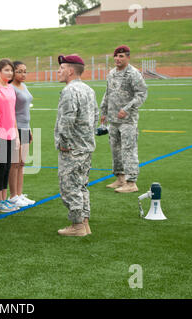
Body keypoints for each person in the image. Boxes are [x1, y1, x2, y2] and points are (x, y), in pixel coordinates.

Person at [54, 55, 98, 237]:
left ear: (71, 71)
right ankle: (84, 222)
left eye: (62, 68)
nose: (58, 71)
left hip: (72, 147)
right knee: (82, 185)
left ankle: (77, 225)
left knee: (70, 186)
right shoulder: (88, 89)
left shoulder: (69, 91)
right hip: (86, 145)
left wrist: (64, 142)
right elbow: (95, 116)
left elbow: (67, 120)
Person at [100, 45, 148, 193]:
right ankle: (120, 178)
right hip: (113, 120)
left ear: (128, 57)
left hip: (128, 120)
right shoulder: (112, 73)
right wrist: (104, 111)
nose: (117, 59)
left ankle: (131, 182)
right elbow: (108, 93)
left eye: (121, 56)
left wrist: (126, 109)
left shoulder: (133, 74)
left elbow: (141, 94)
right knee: (115, 150)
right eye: (116, 56)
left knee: (128, 150)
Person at [0, 58, 20, 213]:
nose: (10, 73)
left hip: (10, 133)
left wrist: (16, 133)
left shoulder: (10, 88)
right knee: (0, 168)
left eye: (11, 70)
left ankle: (4, 198)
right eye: (6, 70)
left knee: (7, 166)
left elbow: (12, 113)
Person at [8, 61, 35, 207]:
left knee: (22, 163)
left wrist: (29, 129)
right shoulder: (11, 88)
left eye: (25, 71)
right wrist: (17, 131)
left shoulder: (23, 86)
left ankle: (19, 193)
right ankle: (13, 195)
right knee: (15, 163)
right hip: (15, 128)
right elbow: (11, 112)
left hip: (25, 127)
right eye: (19, 71)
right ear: (13, 72)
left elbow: (26, 111)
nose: (23, 74)